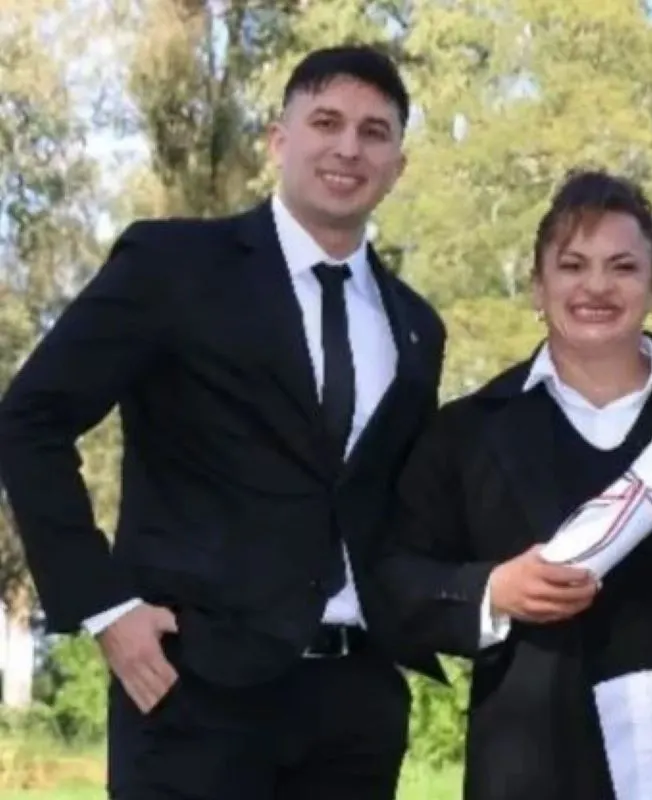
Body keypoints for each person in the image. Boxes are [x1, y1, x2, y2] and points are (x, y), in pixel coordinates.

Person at [0, 45, 446, 799]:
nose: (348, 147)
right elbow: (29, 419)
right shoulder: (172, 266)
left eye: (375, 132)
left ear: (398, 163)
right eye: (326, 121)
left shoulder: (416, 328)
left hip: (356, 710)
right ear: (279, 140)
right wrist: (103, 604)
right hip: (189, 691)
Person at [367, 169, 652, 799]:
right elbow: (392, 578)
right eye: (573, 265)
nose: (597, 286)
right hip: (535, 768)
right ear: (536, 286)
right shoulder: (466, 433)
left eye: (623, 267)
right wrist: (493, 591)